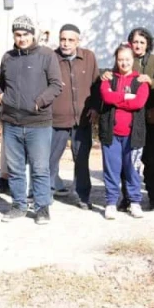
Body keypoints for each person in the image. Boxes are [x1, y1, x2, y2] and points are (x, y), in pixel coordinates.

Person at [0, 15, 63, 224]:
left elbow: (56, 85)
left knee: (40, 168)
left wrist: (39, 101)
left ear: (33, 34)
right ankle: (18, 205)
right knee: (15, 168)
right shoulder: (8, 58)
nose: (22, 38)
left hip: (38, 123)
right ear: (13, 35)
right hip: (12, 123)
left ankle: (42, 208)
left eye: (25, 34)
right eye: (18, 34)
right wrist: (0, 95)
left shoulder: (47, 55)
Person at [50, 24, 100, 209]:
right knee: (50, 159)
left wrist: (95, 107)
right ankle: (45, 195)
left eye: (70, 40)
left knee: (81, 160)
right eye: (63, 39)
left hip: (82, 121)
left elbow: (96, 86)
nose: (66, 43)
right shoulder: (51, 58)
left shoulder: (88, 57)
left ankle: (82, 196)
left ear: (78, 41)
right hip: (57, 120)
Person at [99, 43, 150, 219]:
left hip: (133, 135)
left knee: (132, 169)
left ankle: (134, 202)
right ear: (116, 60)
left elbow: (139, 103)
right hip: (111, 134)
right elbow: (106, 96)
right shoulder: (108, 79)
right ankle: (111, 202)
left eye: (127, 59)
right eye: (120, 59)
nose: (124, 63)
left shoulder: (140, 81)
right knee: (112, 169)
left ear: (133, 60)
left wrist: (117, 98)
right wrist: (126, 97)